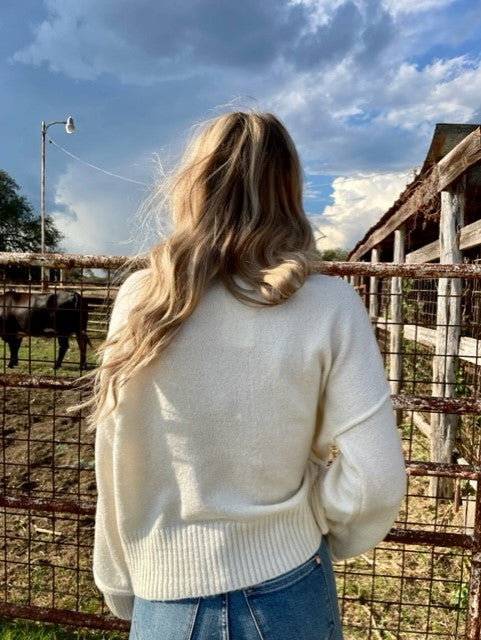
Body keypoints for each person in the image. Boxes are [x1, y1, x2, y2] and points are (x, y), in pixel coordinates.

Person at [90, 111, 406, 640]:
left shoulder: (141, 300)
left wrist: (119, 584)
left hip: (166, 598)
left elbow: (115, 460)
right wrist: (317, 523)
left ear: (193, 184)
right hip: (289, 590)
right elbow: (377, 479)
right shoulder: (329, 304)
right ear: (290, 189)